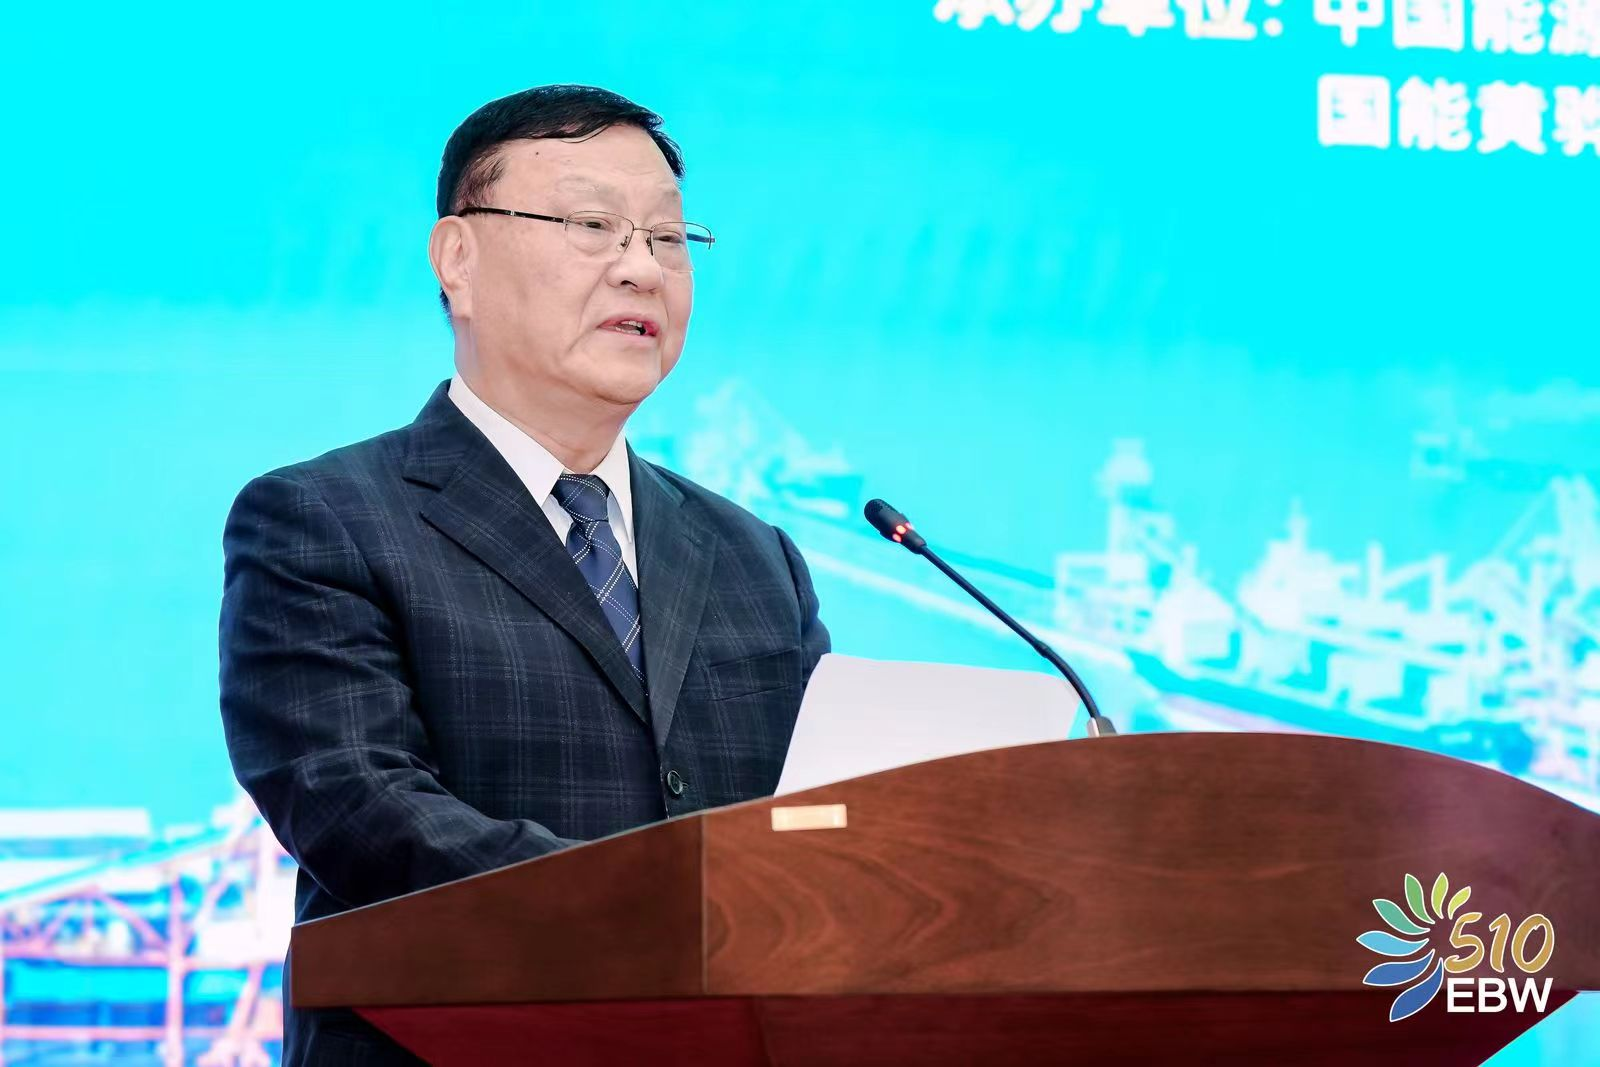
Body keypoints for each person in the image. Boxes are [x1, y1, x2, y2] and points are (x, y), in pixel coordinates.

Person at [218, 84, 830, 1066]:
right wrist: (665, 911)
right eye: (593, 226)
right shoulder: (323, 518)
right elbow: (358, 804)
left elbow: (819, 821)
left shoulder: (755, 556)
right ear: (458, 260)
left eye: (669, 239)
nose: (642, 268)